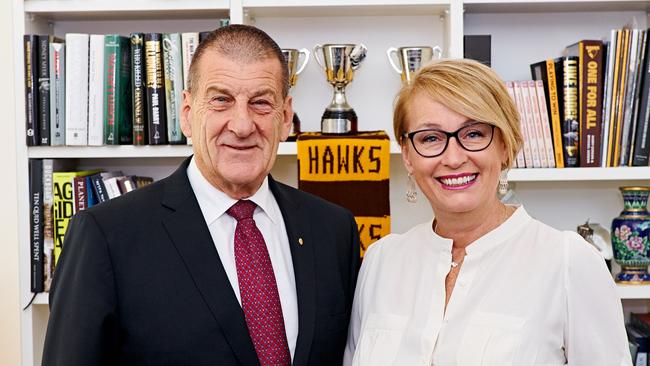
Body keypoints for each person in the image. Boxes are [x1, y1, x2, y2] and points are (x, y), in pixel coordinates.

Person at [43, 25, 360, 366]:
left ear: (285, 118)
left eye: (261, 103)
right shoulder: (105, 235)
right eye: (221, 100)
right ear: (187, 113)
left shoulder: (332, 229)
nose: (242, 125)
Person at [344, 59, 631, 366]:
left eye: (474, 134)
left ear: (505, 145)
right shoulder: (380, 261)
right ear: (409, 157)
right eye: (430, 138)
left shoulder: (568, 262)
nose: (453, 158)